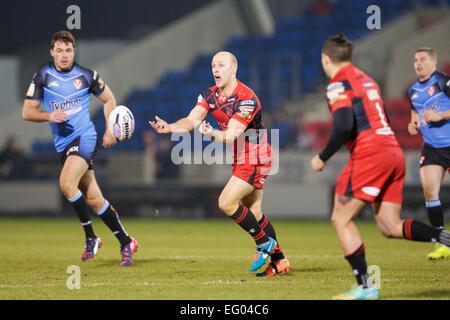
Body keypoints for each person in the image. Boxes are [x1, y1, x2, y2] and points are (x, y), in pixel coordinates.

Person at [310, 34, 450, 300]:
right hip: (392, 150)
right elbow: (382, 116)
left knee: (340, 218)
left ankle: (365, 288)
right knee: (389, 225)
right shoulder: (367, 79)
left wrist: (322, 156)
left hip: (370, 152)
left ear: (326, 59)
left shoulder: (337, 84)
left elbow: (343, 125)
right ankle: (443, 238)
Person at [149, 51, 290, 276]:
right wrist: (171, 127)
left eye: (221, 65)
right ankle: (280, 261)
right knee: (255, 211)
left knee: (225, 203)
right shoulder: (210, 94)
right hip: (242, 156)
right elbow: (192, 119)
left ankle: (264, 243)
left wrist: (212, 133)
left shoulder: (246, 99)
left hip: (255, 154)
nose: (216, 69)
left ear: (233, 69)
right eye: (213, 65)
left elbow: (232, 134)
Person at [22, 31, 138, 267]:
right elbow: (27, 112)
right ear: (52, 52)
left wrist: (109, 130)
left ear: (74, 52)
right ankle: (126, 241)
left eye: (68, 50)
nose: (64, 55)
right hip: (63, 145)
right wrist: (48, 115)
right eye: (59, 50)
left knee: (66, 184)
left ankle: (91, 237)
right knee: (95, 200)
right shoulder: (42, 76)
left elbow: (109, 100)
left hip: (85, 138)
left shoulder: (87, 76)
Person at [407, 47, 450, 260]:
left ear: (433, 62)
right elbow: (415, 110)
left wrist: (441, 115)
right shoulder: (412, 89)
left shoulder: (443, 82)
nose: (418, 63)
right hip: (432, 148)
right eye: (416, 60)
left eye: (423, 59)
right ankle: (442, 243)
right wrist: (413, 123)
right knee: (429, 191)